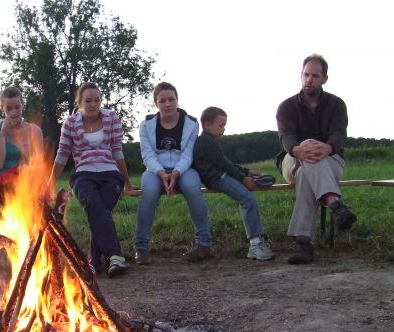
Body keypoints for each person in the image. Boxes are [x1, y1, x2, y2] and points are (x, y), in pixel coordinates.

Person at [48, 82, 139, 278]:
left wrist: (128, 184)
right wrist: (49, 185)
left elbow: (117, 151)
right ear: (79, 102)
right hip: (84, 175)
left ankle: (93, 262)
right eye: (88, 100)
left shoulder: (111, 117)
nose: (93, 104)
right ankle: (115, 256)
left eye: (97, 100)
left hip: (110, 173)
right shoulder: (71, 123)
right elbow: (63, 154)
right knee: (94, 205)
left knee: (99, 212)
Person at [276, 54, 356, 264]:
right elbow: (286, 136)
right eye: (306, 75)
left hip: (330, 159)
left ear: (324, 79)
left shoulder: (337, 104)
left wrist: (328, 147)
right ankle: (335, 204)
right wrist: (297, 149)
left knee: (306, 174)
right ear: (301, 76)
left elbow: (339, 134)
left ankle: (304, 244)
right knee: (304, 159)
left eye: (315, 75)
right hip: (292, 159)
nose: (309, 79)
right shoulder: (286, 107)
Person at [134, 82, 212, 265]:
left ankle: (204, 244)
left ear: (177, 100)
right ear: (156, 103)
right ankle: (141, 247)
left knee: (193, 188)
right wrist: (161, 173)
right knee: (150, 192)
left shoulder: (191, 124)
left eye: (171, 99)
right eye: (162, 101)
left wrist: (176, 173)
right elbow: (147, 154)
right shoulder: (145, 125)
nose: (167, 104)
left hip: (183, 168)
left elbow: (188, 153)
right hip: (155, 170)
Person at [193, 107, 274, 261]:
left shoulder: (211, 141)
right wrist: (243, 179)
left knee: (248, 199)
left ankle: (256, 243)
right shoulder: (206, 141)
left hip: (221, 176)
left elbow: (226, 163)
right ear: (206, 124)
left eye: (224, 125)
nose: (223, 129)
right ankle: (255, 245)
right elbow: (224, 165)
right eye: (221, 125)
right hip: (217, 178)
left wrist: (247, 172)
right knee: (248, 200)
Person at [0, 86, 44, 202]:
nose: (14, 112)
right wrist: (2, 133)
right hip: (0, 180)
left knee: (37, 192)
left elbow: (39, 164)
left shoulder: (34, 130)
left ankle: (46, 219)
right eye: (9, 108)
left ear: (22, 105)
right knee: (18, 192)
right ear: (2, 109)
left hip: (27, 178)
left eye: (17, 107)